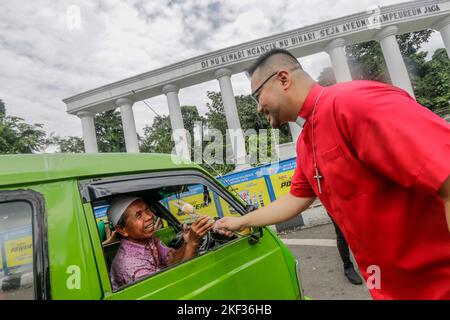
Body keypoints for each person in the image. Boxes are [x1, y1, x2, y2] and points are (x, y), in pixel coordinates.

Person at [215, 48, 450, 299]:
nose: (258, 107)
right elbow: (296, 198)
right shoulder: (306, 142)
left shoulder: (355, 103)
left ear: (283, 79)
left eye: (257, 95)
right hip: (394, 290)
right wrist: (241, 221)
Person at [107, 195, 214, 291]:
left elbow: (170, 258)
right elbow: (172, 290)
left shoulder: (148, 239)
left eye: (147, 209)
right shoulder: (132, 267)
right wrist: (193, 243)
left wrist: (187, 243)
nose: (149, 216)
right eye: (138, 215)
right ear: (122, 230)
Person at [328, 213, 362, 285]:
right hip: (335, 204)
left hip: (353, 203)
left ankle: (363, 261)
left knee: (358, 229)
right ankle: (348, 267)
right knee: (341, 234)